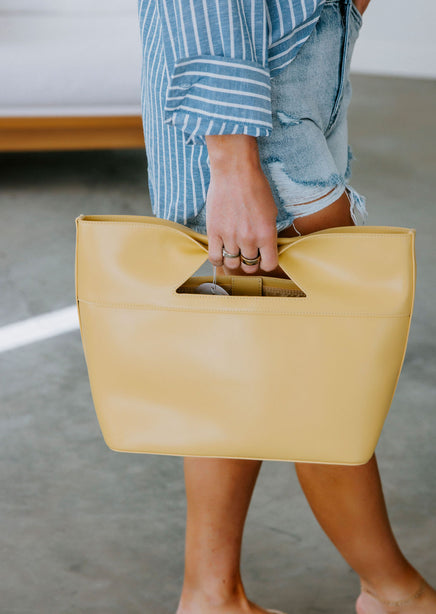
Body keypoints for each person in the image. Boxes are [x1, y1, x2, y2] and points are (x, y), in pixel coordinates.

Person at [137, 1, 436, 612]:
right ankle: (395, 593)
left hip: (297, 79)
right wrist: (232, 161)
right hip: (261, 115)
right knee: (324, 379)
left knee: (243, 360)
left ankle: (212, 596)